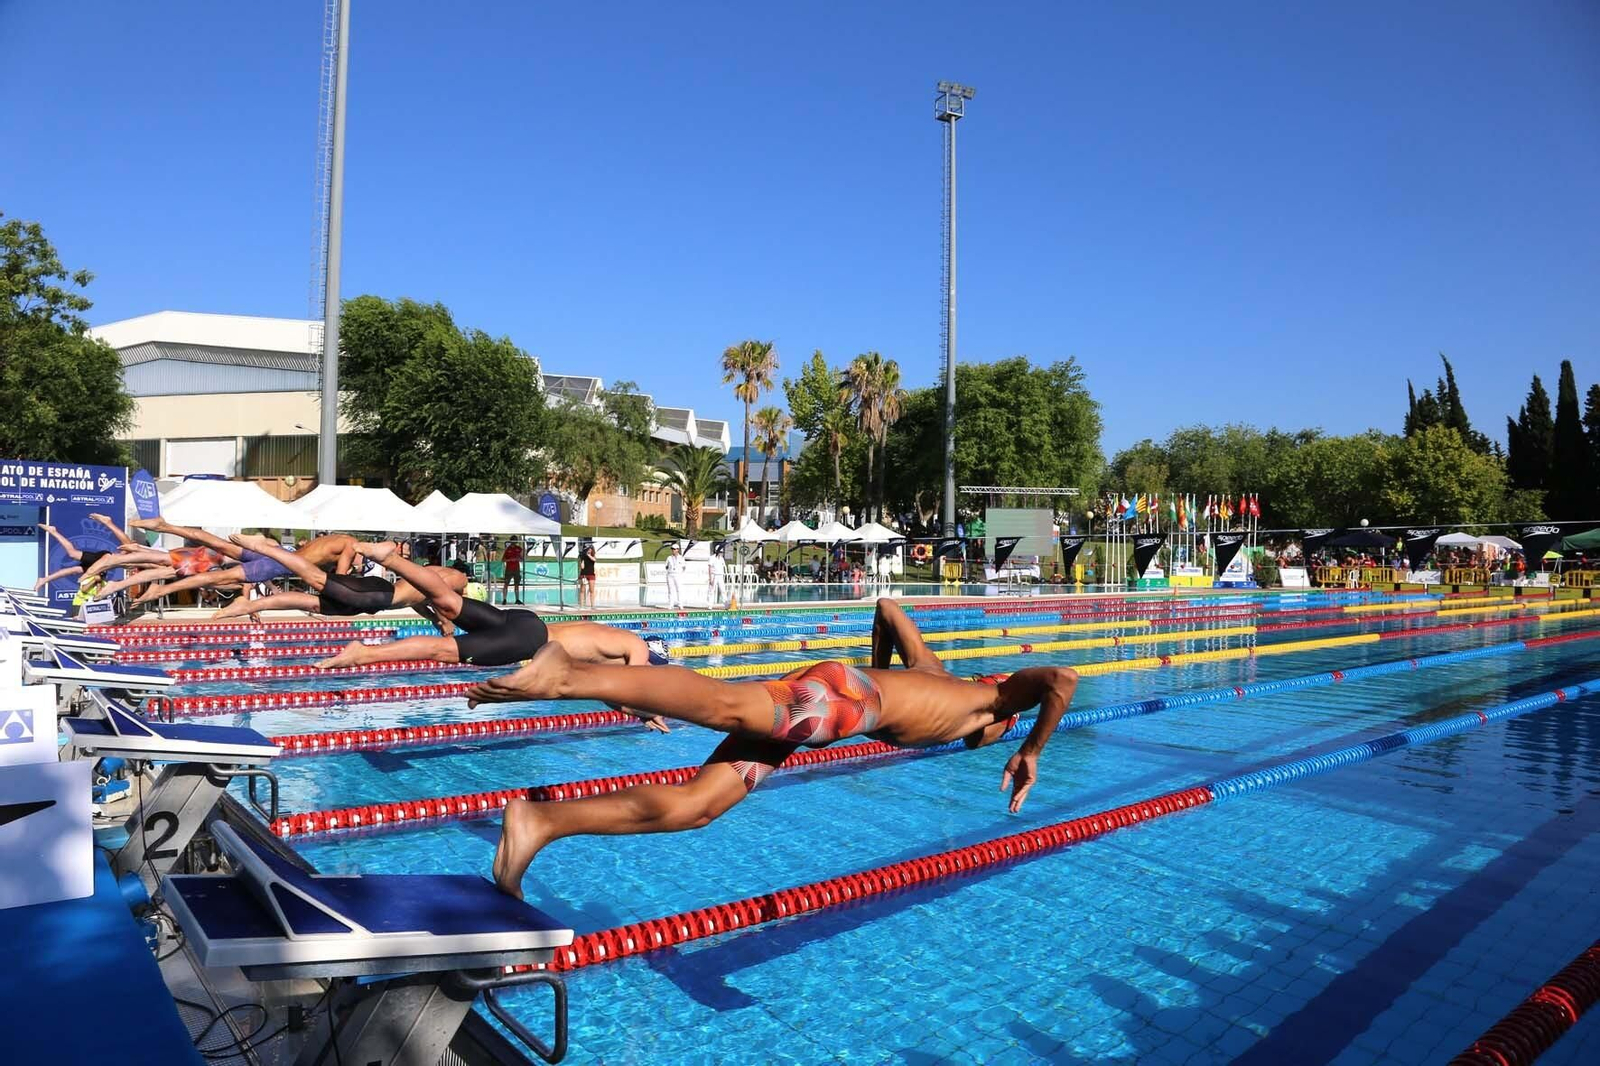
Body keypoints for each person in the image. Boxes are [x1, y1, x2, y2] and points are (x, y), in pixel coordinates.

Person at [473, 598, 1080, 898]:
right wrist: (1031, 750)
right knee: (725, 704)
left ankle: (541, 822)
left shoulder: (939, 672)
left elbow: (888, 609)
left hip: (843, 703)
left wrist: (872, 680)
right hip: (839, 703)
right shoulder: (1000, 700)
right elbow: (1061, 680)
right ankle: (570, 673)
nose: (987, 740)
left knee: (699, 806)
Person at [104, 518, 359, 604]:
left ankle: (165, 525)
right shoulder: (350, 546)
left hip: (272, 553)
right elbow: (340, 582)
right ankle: (164, 589)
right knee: (216, 577)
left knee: (217, 544)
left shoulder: (337, 538)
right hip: (277, 563)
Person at [33, 514, 137, 591]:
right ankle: (108, 522)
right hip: (105, 559)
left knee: (74, 567)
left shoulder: (143, 563)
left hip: (106, 562)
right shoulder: (141, 558)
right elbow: (128, 548)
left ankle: (44, 580)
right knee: (73, 554)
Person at [501, 539, 523, 605]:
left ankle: (517, 599)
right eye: (513, 540)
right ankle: (504, 599)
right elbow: (503, 560)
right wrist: (509, 560)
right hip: (509, 569)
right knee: (506, 584)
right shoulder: (508, 549)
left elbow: (522, 559)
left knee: (517, 585)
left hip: (516, 569)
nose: (514, 542)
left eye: (515, 540)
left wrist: (518, 559)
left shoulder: (519, 549)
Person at [663, 543, 684, 609]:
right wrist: (669, 569)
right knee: (671, 590)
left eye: (674, 549)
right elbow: (666, 566)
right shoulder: (669, 558)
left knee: (679, 590)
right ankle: (671, 604)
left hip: (678, 575)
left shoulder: (681, 558)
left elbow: (684, 567)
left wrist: (680, 572)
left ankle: (680, 604)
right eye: (672, 549)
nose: (673, 550)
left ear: (677, 550)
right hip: (670, 575)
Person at [578, 544, 597, 608]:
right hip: (584, 574)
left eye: (590, 549)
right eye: (588, 549)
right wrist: (581, 563)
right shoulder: (583, 556)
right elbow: (582, 567)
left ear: (592, 550)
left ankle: (592, 605)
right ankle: (581, 605)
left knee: (592, 590)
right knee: (582, 590)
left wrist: (589, 555)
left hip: (591, 574)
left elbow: (594, 560)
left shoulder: (593, 556)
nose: (589, 550)